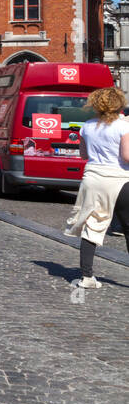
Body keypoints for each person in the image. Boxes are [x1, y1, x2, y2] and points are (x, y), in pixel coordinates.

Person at [64, 87, 129, 289]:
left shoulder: (87, 126)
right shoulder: (124, 126)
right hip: (120, 179)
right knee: (128, 228)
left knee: (91, 225)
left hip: (93, 178)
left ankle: (87, 277)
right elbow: (127, 157)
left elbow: (84, 155)